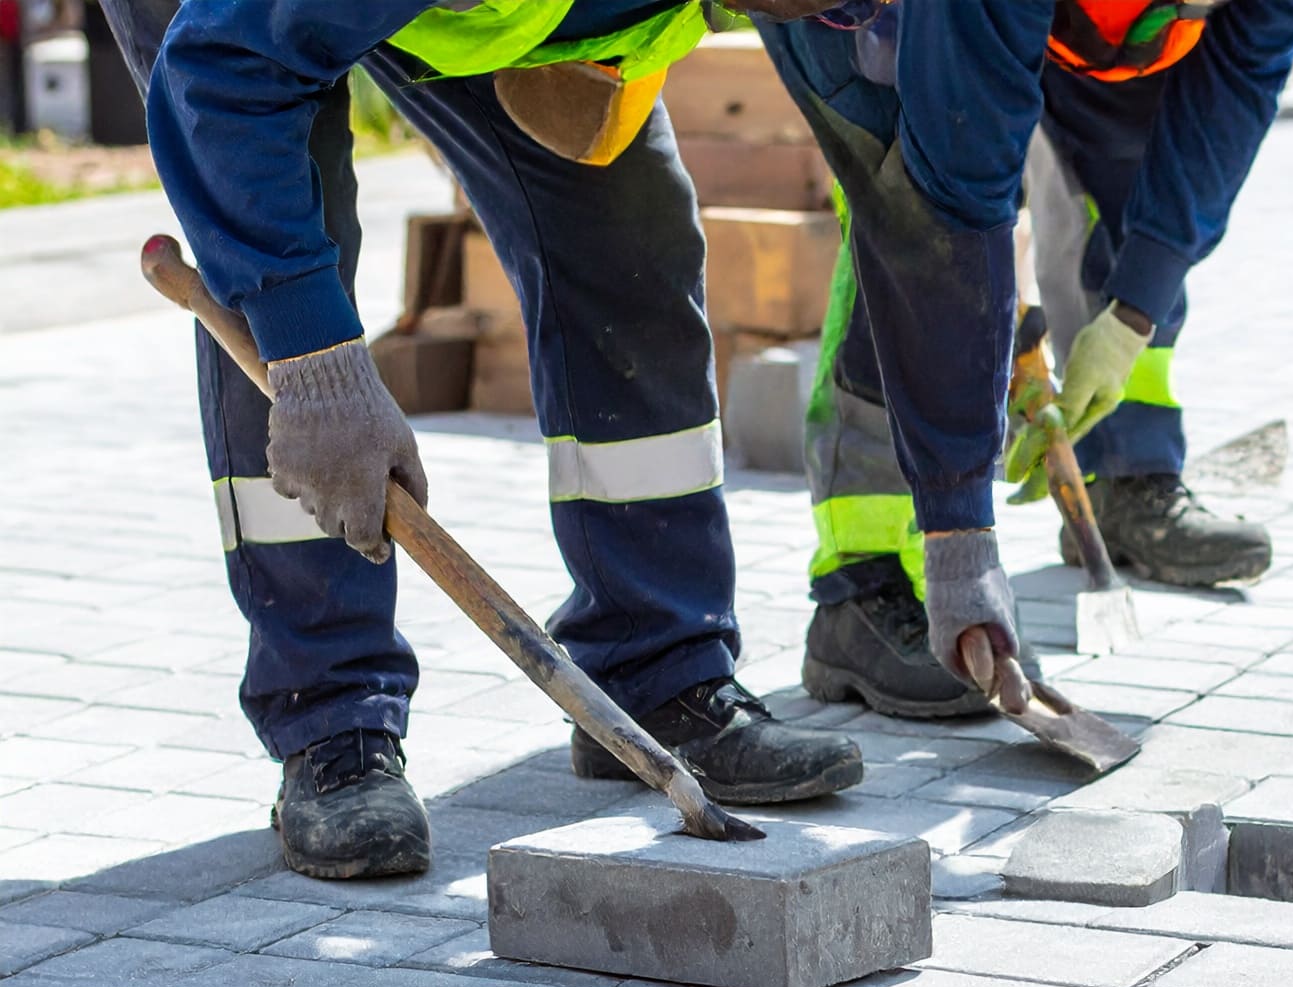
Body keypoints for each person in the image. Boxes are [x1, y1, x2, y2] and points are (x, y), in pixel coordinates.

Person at [106, 0, 866, 881]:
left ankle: (658, 671)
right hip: (232, 28)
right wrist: (313, 357)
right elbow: (223, 77)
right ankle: (332, 721)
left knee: (629, 231)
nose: (847, 18)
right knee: (276, 254)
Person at [760, 0, 1293, 723]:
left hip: (1097, 37)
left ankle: (1125, 474)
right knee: (906, 216)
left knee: (1137, 179)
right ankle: (860, 580)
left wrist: (1130, 318)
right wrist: (962, 534)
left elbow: (1231, 98)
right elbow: (960, 192)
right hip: (902, 21)